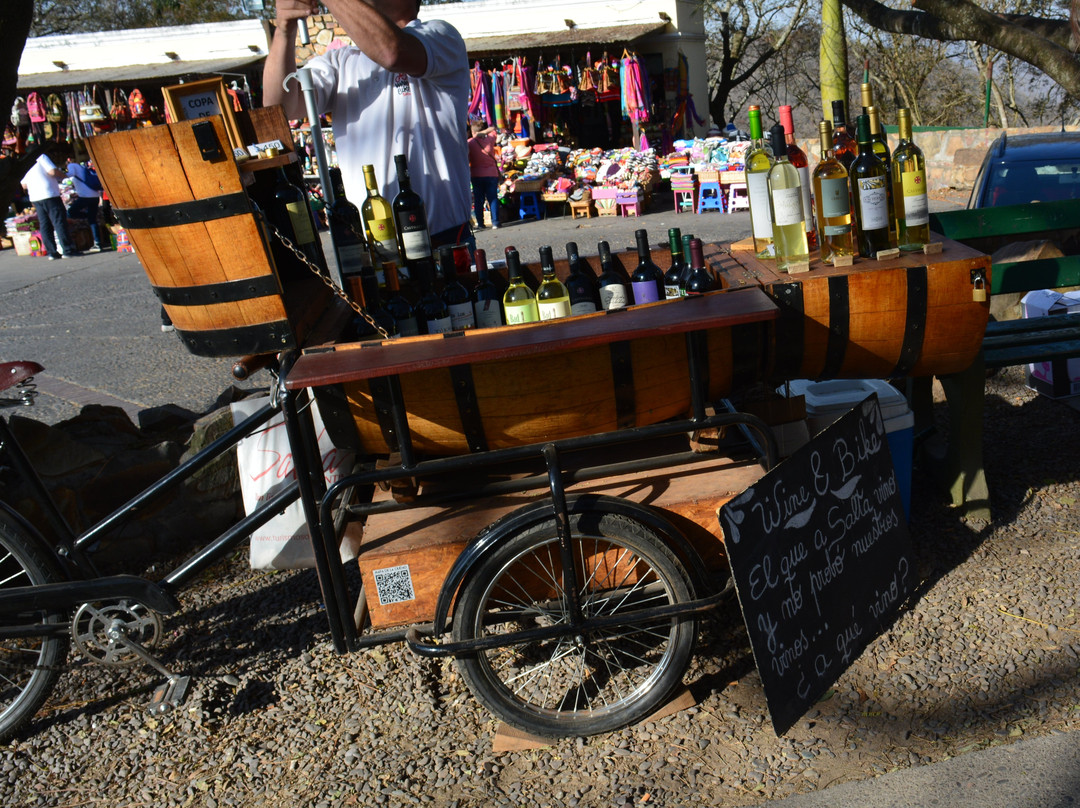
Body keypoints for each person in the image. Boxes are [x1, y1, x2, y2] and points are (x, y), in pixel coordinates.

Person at [263, 0, 474, 254]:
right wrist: (285, 28)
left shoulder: (439, 35)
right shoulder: (339, 62)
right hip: (373, 247)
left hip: (442, 240)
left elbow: (391, 52)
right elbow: (276, 107)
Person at [20, 146, 81, 261]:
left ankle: (52, 252)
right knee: (59, 221)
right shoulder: (41, 157)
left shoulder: (25, 162)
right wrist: (64, 176)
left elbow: (24, 185)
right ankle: (68, 250)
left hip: (35, 197)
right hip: (49, 194)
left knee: (45, 224)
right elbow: (52, 171)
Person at [66, 157, 105, 253]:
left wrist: (56, 174)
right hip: (94, 196)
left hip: (85, 196)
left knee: (70, 212)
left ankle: (87, 216)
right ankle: (98, 243)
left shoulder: (72, 166)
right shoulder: (82, 168)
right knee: (92, 220)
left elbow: (69, 175)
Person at [467, 119, 500, 229]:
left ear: (473, 131)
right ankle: (495, 222)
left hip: (476, 175)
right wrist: (485, 133)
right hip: (491, 174)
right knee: (493, 199)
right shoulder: (490, 139)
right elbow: (494, 128)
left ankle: (481, 224)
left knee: (478, 200)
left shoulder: (470, 143)